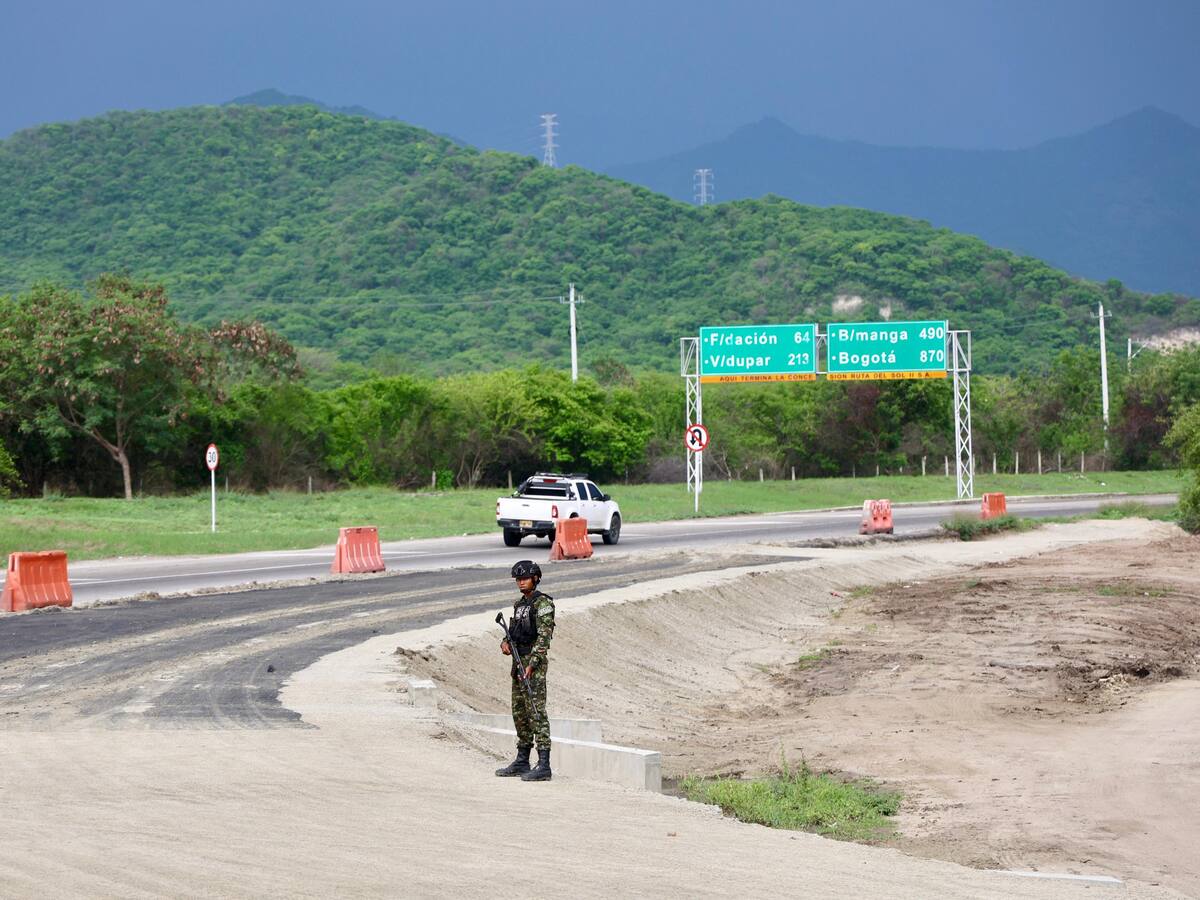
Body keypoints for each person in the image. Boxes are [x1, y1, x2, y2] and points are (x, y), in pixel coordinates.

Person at [495, 559, 555, 781]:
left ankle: (544, 764)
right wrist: (505, 643)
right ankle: (522, 760)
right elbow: (514, 632)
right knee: (520, 712)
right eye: (518, 579)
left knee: (536, 712)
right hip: (518, 662)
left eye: (525, 578)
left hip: (532, 664)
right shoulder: (519, 605)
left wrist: (533, 663)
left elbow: (544, 637)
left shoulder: (543, 604)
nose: (521, 582)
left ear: (536, 578)